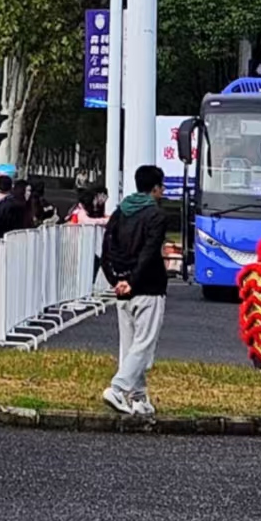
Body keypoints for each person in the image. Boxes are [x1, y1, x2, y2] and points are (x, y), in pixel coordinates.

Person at [99, 165, 172, 417]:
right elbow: (150, 251)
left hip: (122, 288)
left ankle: (139, 397)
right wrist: (133, 280)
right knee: (144, 345)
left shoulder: (121, 212)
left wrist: (115, 279)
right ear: (156, 188)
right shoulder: (156, 216)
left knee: (130, 345)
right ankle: (118, 389)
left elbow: (106, 248)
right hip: (148, 287)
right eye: (161, 187)